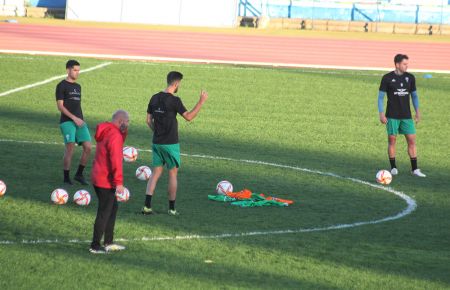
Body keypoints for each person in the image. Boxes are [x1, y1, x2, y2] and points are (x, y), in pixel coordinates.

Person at [142, 71, 208, 216]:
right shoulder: (175, 101)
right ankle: (171, 209)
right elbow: (189, 117)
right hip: (171, 144)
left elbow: (148, 120)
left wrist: (156, 133)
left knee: (156, 173)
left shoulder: (154, 98)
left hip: (157, 142)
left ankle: (147, 206)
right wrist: (201, 101)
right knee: (172, 174)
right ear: (176, 83)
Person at [378, 54, 426, 177]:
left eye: (407, 64)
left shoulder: (410, 78)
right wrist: (382, 114)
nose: (406, 66)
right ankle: (393, 167)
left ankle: (415, 169)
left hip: (406, 116)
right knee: (392, 141)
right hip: (392, 116)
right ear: (397, 64)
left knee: (411, 140)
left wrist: (417, 111)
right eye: (404, 64)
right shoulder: (387, 78)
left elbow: (414, 96)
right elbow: (380, 97)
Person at [90, 110, 129, 254]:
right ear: (121, 121)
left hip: (98, 176)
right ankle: (95, 245)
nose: (128, 124)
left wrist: (124, 132)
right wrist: (119, 182)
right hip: (105, 180)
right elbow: (116, 160)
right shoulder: (114, 135)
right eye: (127, 122)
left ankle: (108, 242)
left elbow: (118, 142)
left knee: (112, 208)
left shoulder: (107, 130)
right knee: (104, 212)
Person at [56, 60, 92, 185]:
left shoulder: (78, 87)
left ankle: (79, 174)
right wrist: (73, 118)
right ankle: (66, 178)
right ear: (68, 70)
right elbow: (60, 106)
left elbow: (76, 105)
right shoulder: (61, 85)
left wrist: (79, 118)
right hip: (67, 122)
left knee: (88, 147)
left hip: (80, 121)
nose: (77, 72)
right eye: (75, 70)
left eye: (78, 70)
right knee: (70, 147)